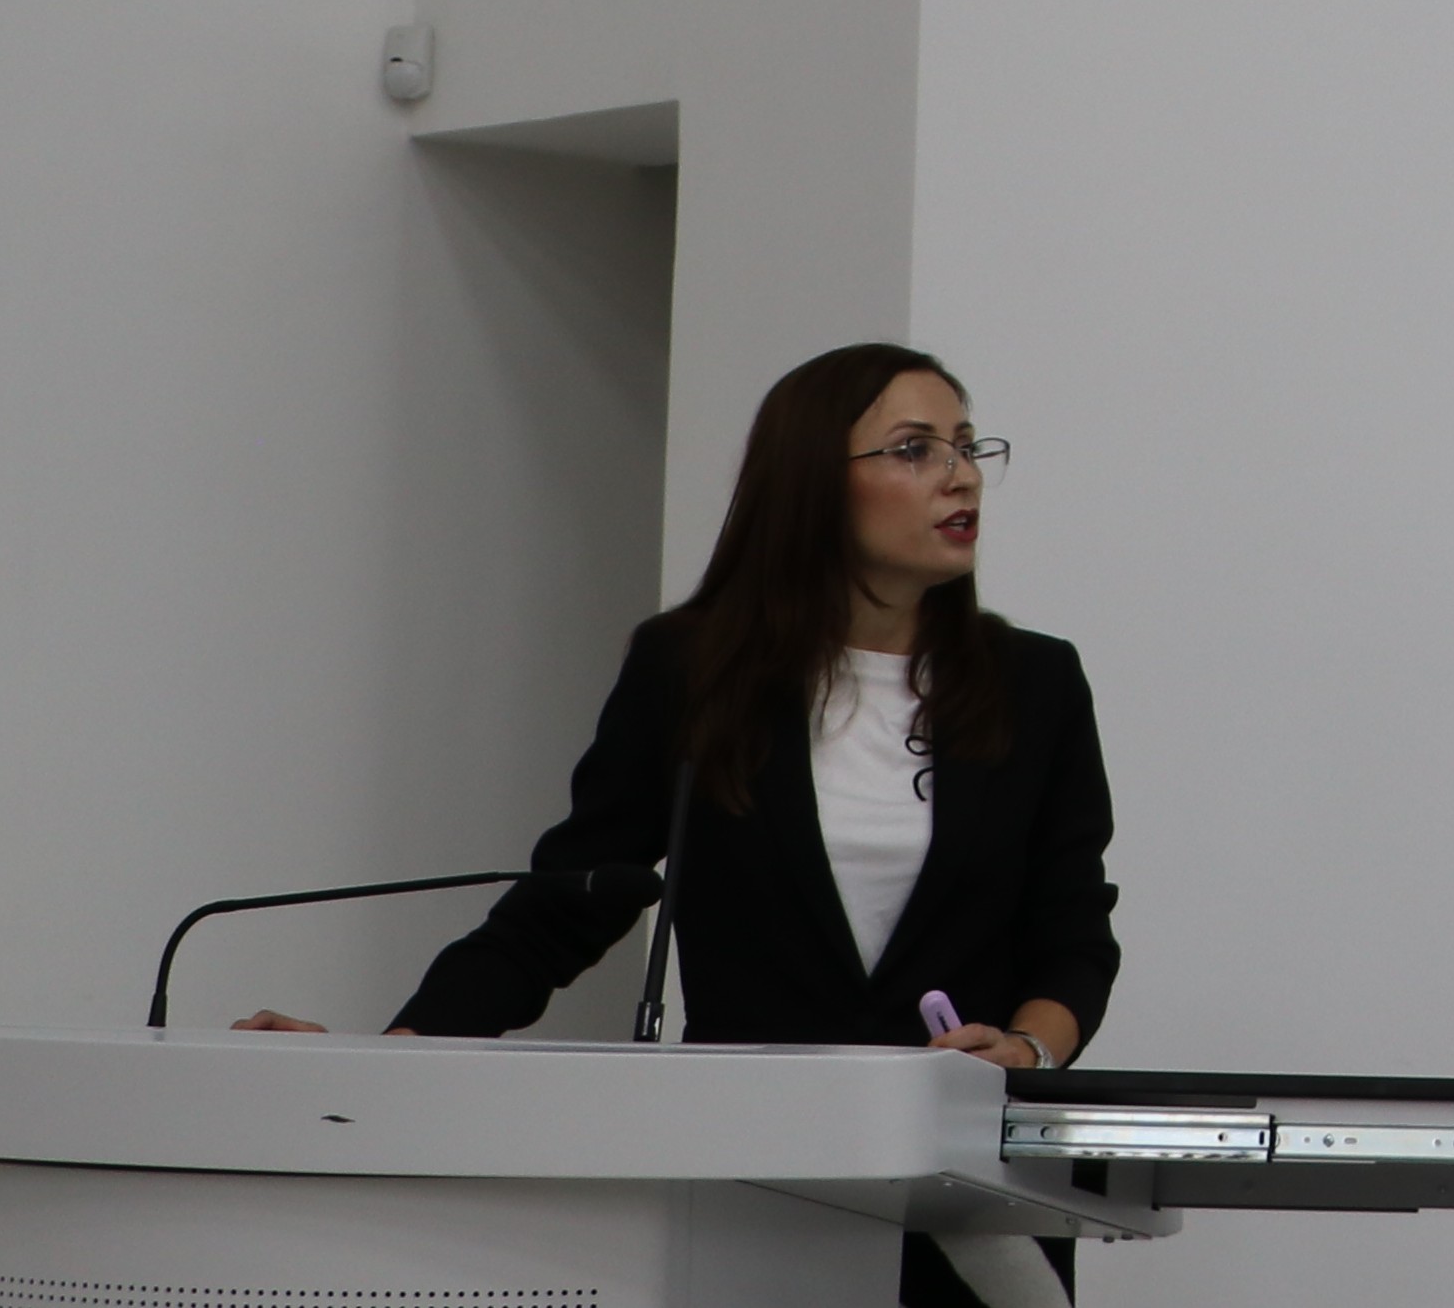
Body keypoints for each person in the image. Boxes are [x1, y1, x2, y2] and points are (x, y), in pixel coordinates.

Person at [240, 343, 1118, 1308]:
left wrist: (1026, 1051)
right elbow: (567, 906)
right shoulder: (695, 671)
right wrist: (384, 1062)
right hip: (752, 1175)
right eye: (914, 449)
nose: (960, 474)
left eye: (966, 444)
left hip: (971, 1191)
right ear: (810, 484)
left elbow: (1074, 935)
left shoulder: (1035, 684)